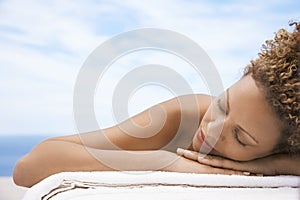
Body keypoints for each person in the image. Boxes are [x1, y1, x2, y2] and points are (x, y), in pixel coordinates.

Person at [13, 22, 300, 188]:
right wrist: (166, 162)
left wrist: (275, 166)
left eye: (240, 137)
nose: (212, 129)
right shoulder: (183, 118)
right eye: (223, 105)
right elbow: (28, 167)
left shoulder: (284, 153)